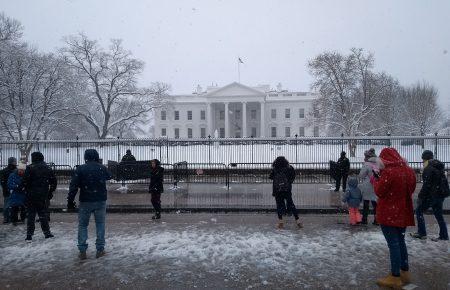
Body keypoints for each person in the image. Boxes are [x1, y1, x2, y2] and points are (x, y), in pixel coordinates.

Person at [373, 148, 416, 289]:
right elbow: (412, 189)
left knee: (393, 244)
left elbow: (379, 192)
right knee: (400, 241)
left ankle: (395, 277)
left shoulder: (388, 173)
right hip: (403, 211)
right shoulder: (408, 171)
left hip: (389, 213)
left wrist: (376, 179)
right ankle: (405, 271)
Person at [67, 149, 112, 260]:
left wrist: (70, 201)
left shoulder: (80, 169)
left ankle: (82, 250)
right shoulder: (102, 168)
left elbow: (73, 186)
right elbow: (109, 176)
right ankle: (100, 249)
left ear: (85, 157)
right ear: (96, 156)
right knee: (100, 224)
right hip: (100, 200)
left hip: (85, 200)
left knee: (83, 225)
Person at [410, 150, 449, 241]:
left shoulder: (429, 168)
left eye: (423, 159)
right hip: (440, 195)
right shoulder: (439, 166)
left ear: (425, 159)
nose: (422, 162)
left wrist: (420, 196)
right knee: (438, 214)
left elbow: (426, 185)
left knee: (419, 211)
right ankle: (444, 235)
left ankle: (422, 233)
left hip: (432, 196)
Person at [22, 152, 57, 241]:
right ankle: (47, 233)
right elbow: (54, 181)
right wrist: (50, 192)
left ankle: (29, 234)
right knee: (43, 214)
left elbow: (24, 182)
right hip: (43, 195)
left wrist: (26, 190)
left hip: (31, 195)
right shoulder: (47, 168)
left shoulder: (29, 168)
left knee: (31, 215)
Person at [269, 156, 303, 229]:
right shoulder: (289, 168)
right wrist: (289, 182)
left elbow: (271, 177)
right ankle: (298, 220)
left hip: (277, 190)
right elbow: (293, 176)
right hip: (287, 189)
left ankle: (280, 222)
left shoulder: (275, 168)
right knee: (291, 204)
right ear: (285, 161)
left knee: (279, 205)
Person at [358, 149, 380, 225]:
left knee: (366, 204)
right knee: (375, 204)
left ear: (367, 157)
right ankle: (377, 220)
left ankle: (364, 219)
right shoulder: (378, 163)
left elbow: (361, 175)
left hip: (368, 186)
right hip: (376, 185)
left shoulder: (367, 164)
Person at [1, 157, 17, 224]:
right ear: (12, 162)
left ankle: (6, 218)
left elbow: (2, 182)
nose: (16, 162)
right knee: (12, 204)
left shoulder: (4, 171)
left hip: (7, 190)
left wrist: (5, 188)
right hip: (13, 190)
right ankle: (10, 218)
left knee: (7, 205)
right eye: (15, 161)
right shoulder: (15, 170)